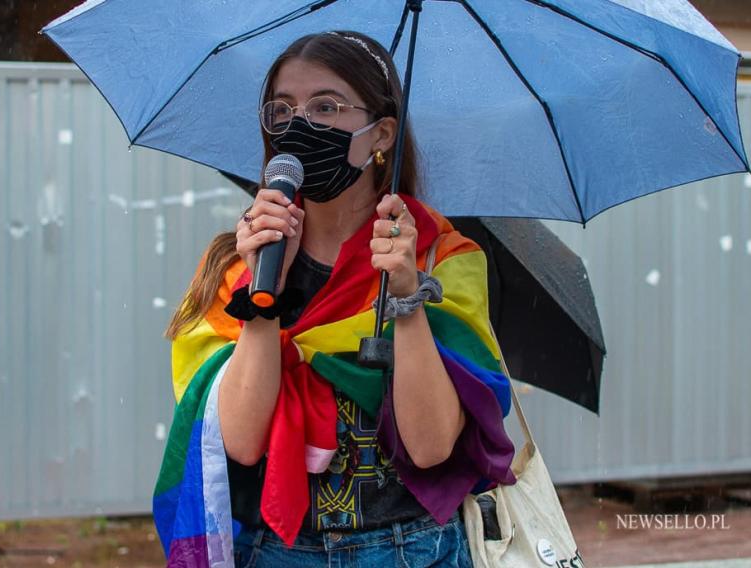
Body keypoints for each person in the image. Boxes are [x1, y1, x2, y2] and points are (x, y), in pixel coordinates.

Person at [154, 30, 517, 568]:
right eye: (282, 110)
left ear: (382, 134)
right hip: (275, 552)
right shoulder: (238, 264)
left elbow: (432, 446)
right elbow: (241, 442)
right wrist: (262, 299)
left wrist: (407, 299)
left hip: (415, 552)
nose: (300, 126)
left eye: (326, 106)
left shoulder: (442, 259)